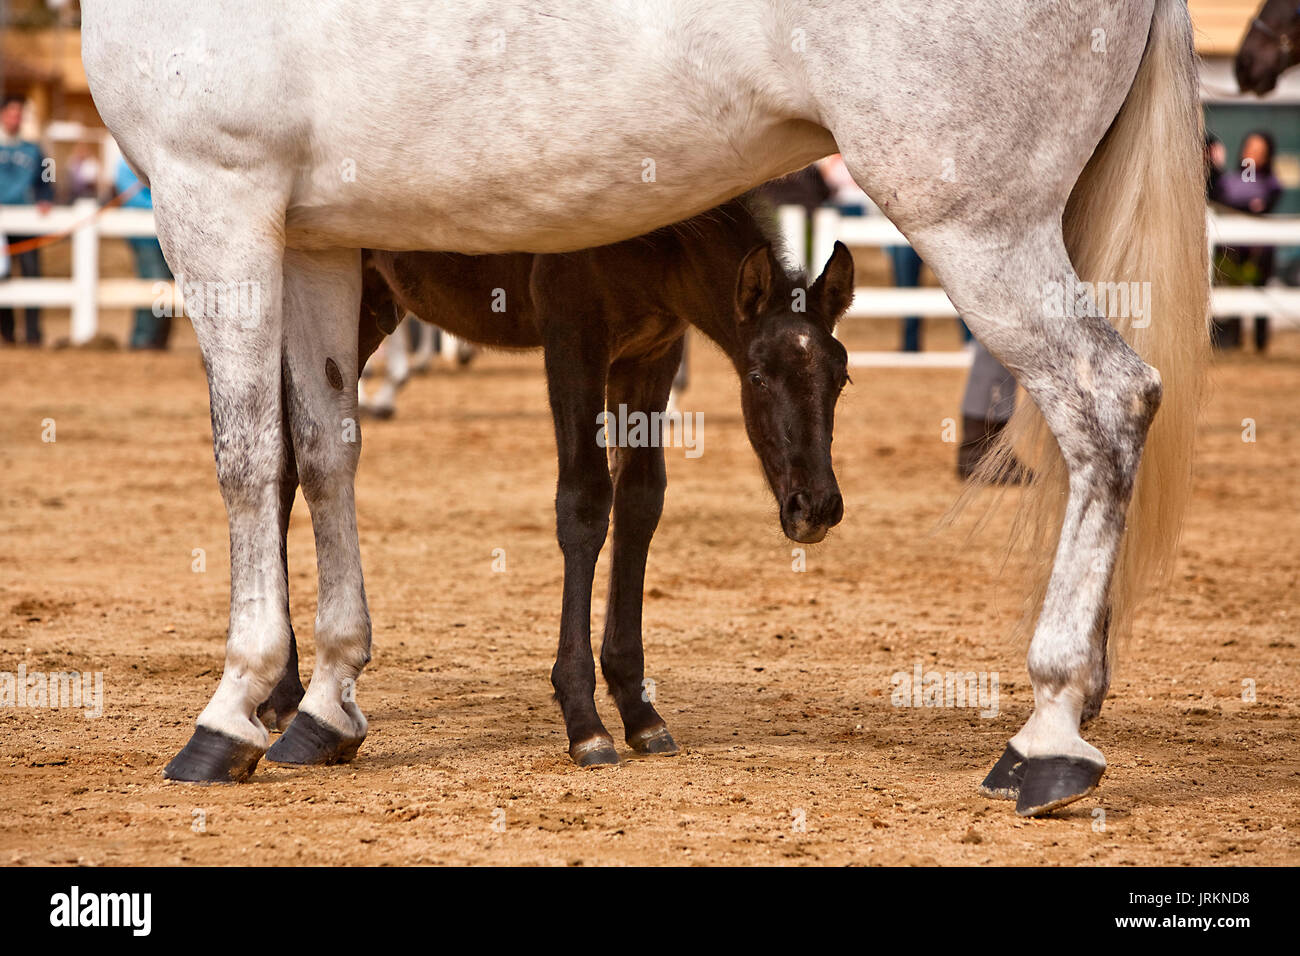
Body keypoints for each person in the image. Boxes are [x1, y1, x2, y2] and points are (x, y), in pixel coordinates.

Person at [1210, 130, 1283, 352]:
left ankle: (1261, 342)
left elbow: (1263, 205)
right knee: (1232, 290)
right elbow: (1221, 199)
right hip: (1232, 248)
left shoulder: (1271, 183)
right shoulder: (1230, 180)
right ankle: (1233, 339)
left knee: (1260, 290)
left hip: (1260, 249)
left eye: (1259, 149)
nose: (1252, 153)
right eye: (1250, 147)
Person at [0, 95, 53, 346]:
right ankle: (6, 333)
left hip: (26, 220)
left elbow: (47, 178)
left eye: (19, 114)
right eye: (11, 113)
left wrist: (46, 197)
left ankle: (33, 333)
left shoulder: (33, 150)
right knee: (3, 277)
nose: (15, 118)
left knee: (33, 273)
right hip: (1, 225)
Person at [115, 157, 175, 349]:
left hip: (170, 238)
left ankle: (158, 339)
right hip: (146, 240)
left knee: (168, 288)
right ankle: (142, 339)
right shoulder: (127, 163)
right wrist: (168, 207)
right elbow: (132, 198)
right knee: (154, 284)